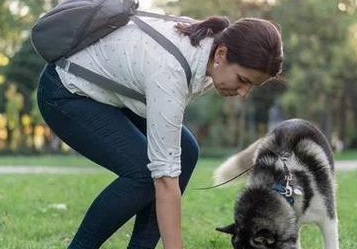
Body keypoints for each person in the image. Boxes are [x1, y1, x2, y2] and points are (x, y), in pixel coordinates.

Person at [36, 15, 283, 249]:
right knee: (144, 173)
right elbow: (165, 181)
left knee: (186, 152)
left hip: (110, 95)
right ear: (221, 54)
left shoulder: (209, 49)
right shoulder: (171, 71)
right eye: (243, 79)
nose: (243, 92)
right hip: (65, 92)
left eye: (251, 85)